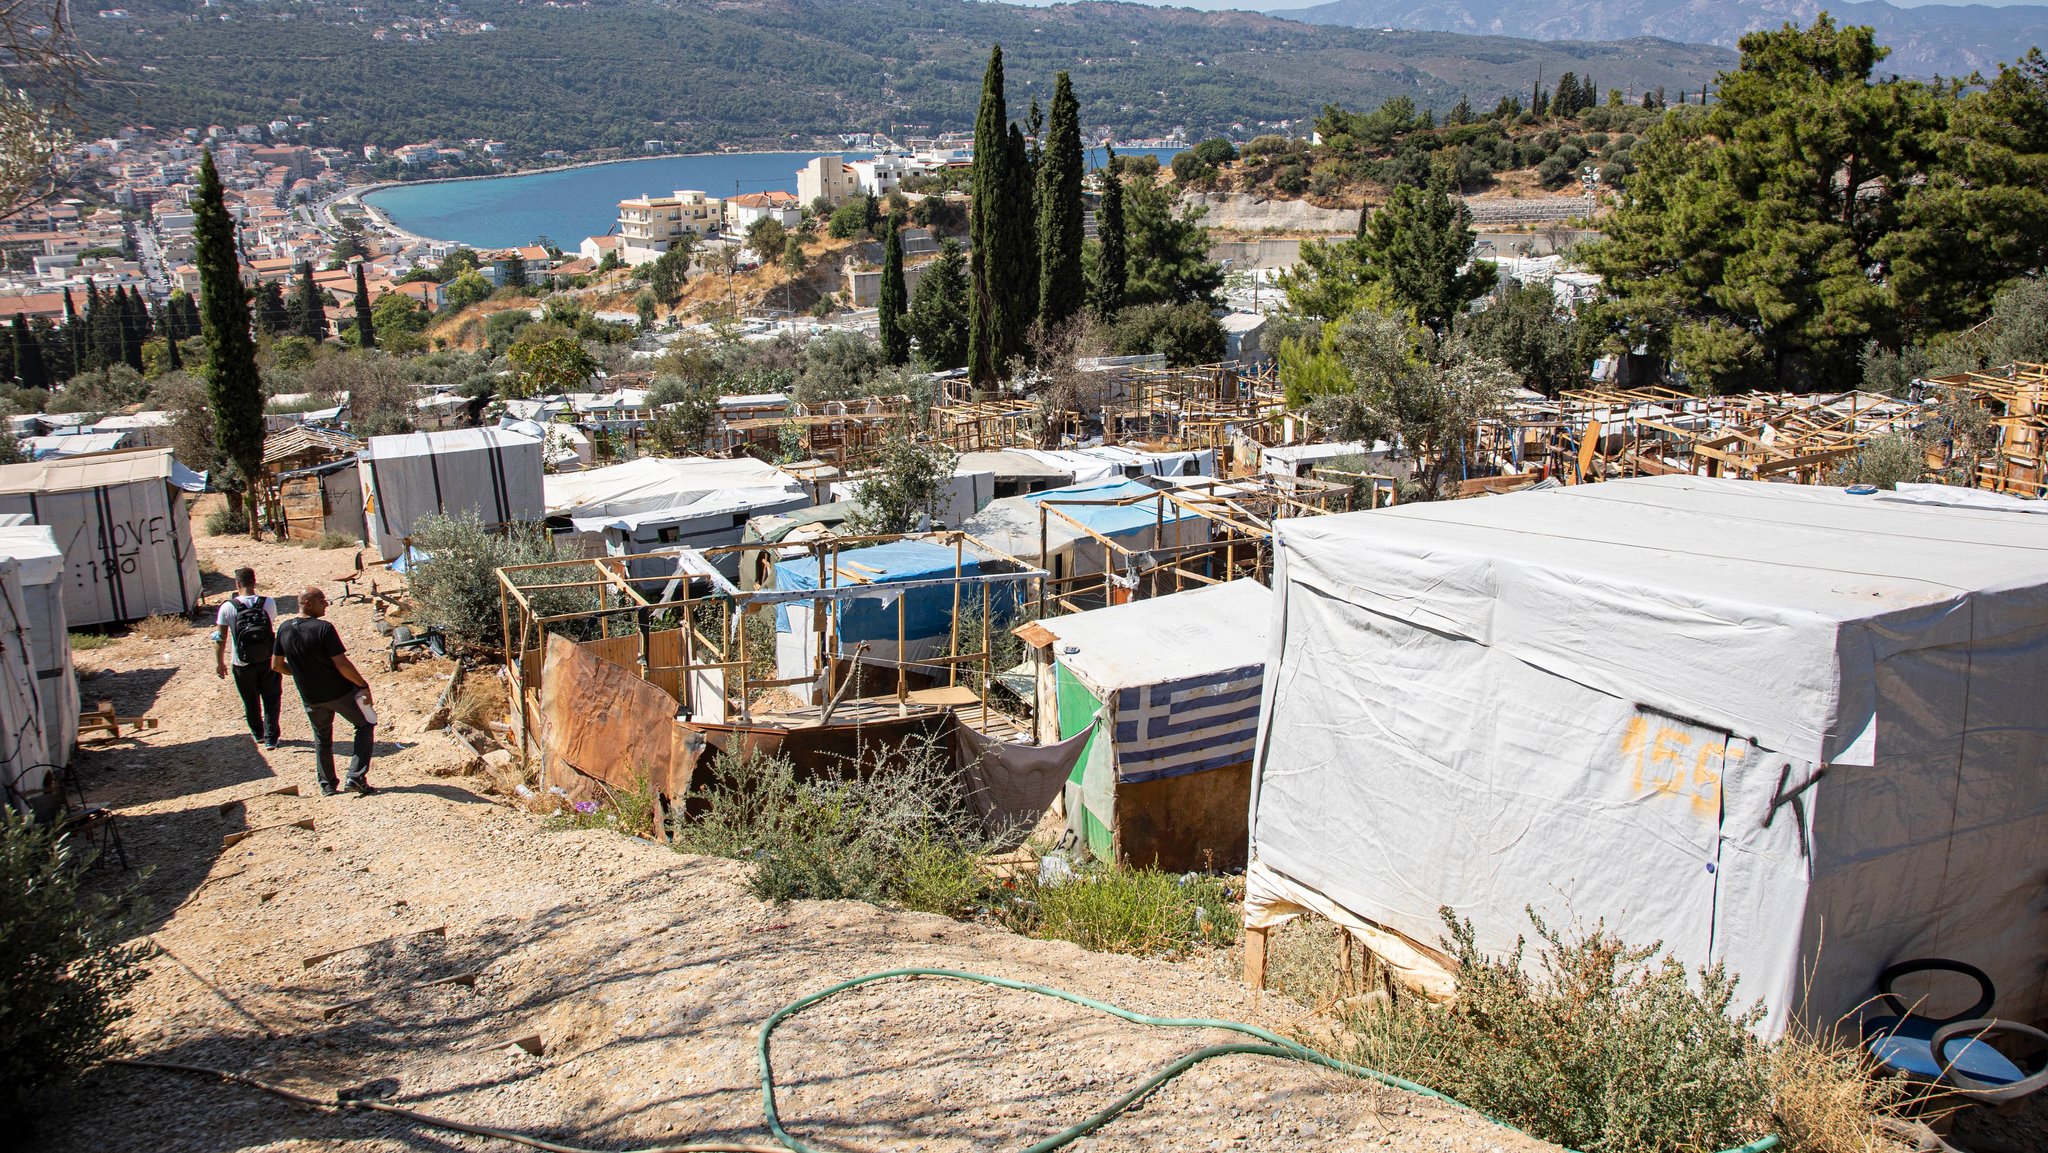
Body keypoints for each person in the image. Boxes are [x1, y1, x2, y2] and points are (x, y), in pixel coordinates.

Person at [272, 585, 378, 796]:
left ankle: (327, 785)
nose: (326, 604)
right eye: (322, 601)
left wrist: (300, 672)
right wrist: (362, 685)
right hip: (338, 692)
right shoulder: (324, 629)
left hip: (310, 696)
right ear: (308, 604)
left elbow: (276, 665)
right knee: (365, 725)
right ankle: (356, 776)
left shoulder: (283, 628)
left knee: (321, 737)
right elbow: (341, 664)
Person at [214, 567, 282, 749]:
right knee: (272, 698)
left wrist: (219, 662)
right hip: (268, 659)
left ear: (237, 584)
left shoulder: (227, 607)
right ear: (254, 581)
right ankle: (271, 737)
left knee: (250, 699)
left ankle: (258, 733)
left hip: (241, 662)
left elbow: (220, 638)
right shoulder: (268, 603)